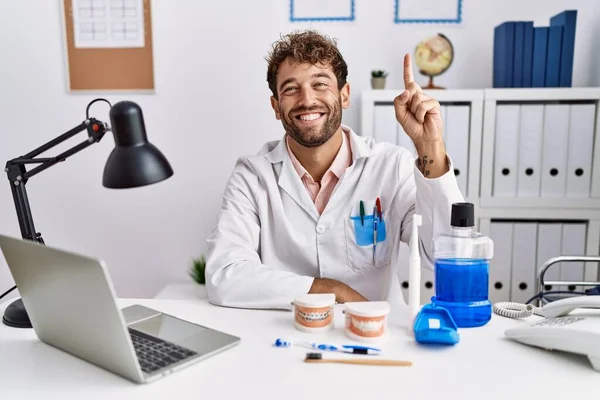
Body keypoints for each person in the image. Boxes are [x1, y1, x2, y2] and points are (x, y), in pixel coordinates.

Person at [205, 30, 464, 310]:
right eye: (291, 89)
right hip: (285, 337)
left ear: (344, 95)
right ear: (276, 107)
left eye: (320, 84)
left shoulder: (390, 166)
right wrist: (330, 290)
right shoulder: (253, 175)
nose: (307, 100)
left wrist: (431, 147)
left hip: (375, 337)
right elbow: (224, 276)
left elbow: (447, 253)